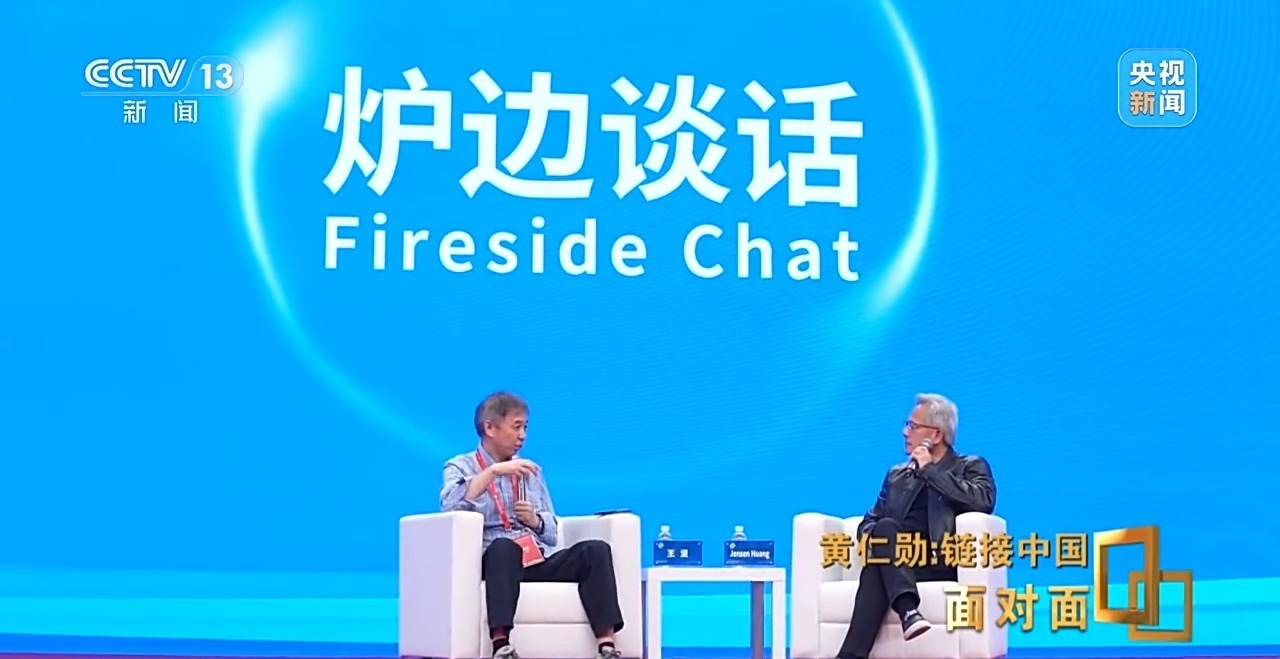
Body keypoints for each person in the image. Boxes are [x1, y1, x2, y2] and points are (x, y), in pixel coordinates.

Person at [440, 391, 625, 659]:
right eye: (516, 427)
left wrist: (534, 521)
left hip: (536, 558)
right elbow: (450, 505)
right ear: (490, 427)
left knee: (595, 550)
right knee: (504, 547)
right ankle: (501, 645)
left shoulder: (529, 470)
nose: (523, 436)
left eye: (525, 427)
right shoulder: (460, 466)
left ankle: (606, 645)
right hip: (496, 562)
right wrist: (493, 472)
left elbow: (551, 531)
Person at [836, 393, 997, 659]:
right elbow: (868, 523)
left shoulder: (969, 466)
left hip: (937, 561)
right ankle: (909, 612)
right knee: (884, 531)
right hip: (897, 561)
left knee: (876, 566)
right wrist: (882, 543)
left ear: (936, 435)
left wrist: (930, 470)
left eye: (912, 426)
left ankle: (853, 653)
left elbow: (983, 501)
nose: (904, 432)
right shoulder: (897, 475)